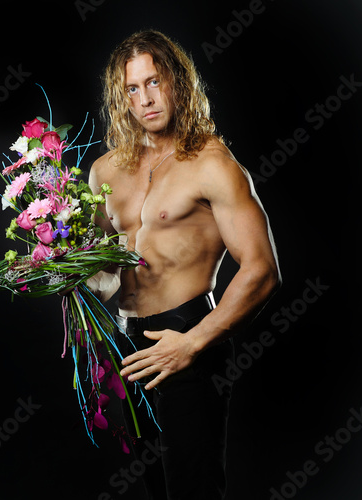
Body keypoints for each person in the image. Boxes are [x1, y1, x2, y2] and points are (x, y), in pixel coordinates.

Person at [87, 30, 281, 500]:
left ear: (176, 81)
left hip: (187, 338)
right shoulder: (104, 171)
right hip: (125, 346)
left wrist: (192, 343)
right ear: (121, 97)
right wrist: (61, 271)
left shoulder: (212, 164)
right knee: (151, 489)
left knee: (193, 489)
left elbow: (262, 268)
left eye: (154, 82)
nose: (146, 98)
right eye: (133, 88)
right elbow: (101, 274)